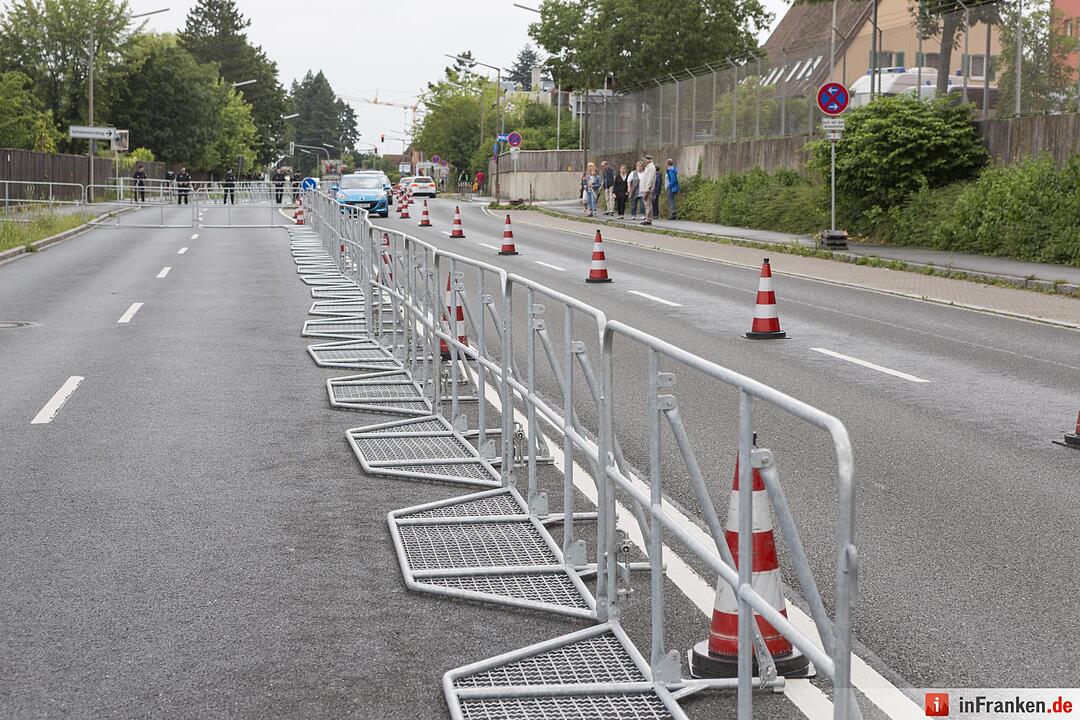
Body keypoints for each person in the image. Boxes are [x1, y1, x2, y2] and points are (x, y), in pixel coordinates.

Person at [639, 155, 656, 225]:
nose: (644, 161)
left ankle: (648, 219)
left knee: (648, 204)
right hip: (645, 188)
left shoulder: (651, 167)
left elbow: (650, 179)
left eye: (645, 160)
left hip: (647, 189)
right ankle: (648, 218)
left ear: (648, 160)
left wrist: (647, 189)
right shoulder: (648, 167)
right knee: (647, 204)